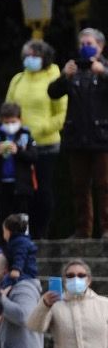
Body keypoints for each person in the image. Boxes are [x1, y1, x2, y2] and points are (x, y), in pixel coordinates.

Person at [4, 39, 67, 239]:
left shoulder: (56, 77)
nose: (29, 59)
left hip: (46, 144)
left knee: (43, 191)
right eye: (27, 55)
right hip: (21, 145)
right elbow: (9, 107)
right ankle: (22, 231)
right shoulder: (18, 79)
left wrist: (40, 129)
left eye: (34, 55)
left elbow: (61, 114)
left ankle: (42, 232)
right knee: (22, 191)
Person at [50, 28, 108, 238]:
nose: (85, 47)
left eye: (89, 43)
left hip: (102, 137)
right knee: (79, 187)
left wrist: (103, 73)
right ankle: (83, 230)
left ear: (100, 46)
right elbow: (53, 93)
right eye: (82, 44)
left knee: (104, 186)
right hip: (77, 136)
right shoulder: (73, 69)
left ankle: (106, 229)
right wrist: (65, 76)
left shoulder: (104, 68)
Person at [0, 103, 39, 230]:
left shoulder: (26, 136)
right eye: (6, 122)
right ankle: (0, 245)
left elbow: (33, 157)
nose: (10, 125)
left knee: (22, 217)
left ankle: (23, 243)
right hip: (1, 186)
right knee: (1, 217)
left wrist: (18, 151)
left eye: (13, 121)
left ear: (20, 120)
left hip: (21, 186)